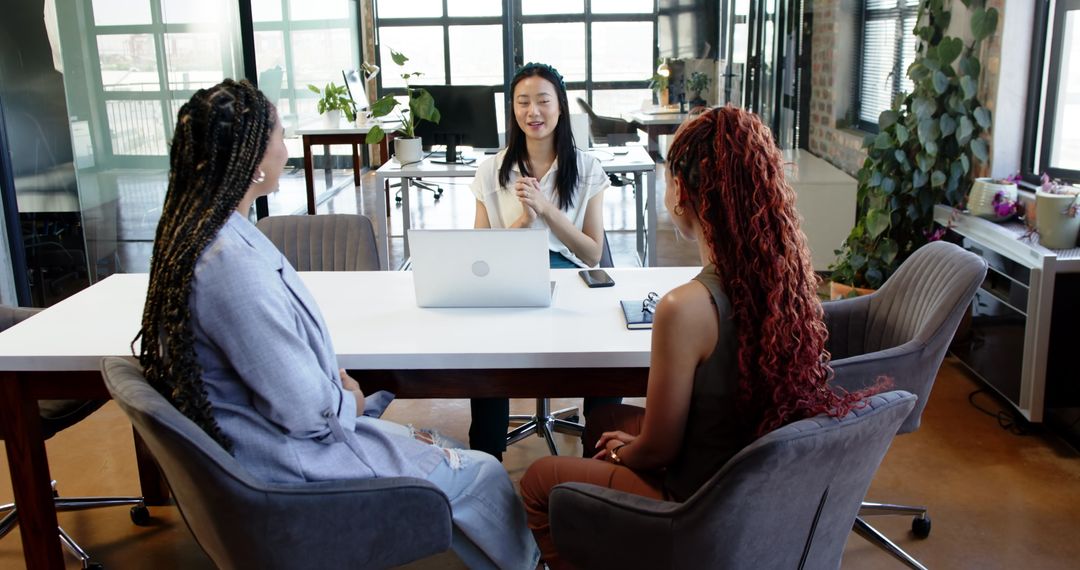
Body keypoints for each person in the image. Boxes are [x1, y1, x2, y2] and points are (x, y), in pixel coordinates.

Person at [134, 79, 539, 570]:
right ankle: (529, 564)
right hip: (297, 468)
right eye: (281, 136)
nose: (288, 148)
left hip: (276, 446)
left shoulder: (204, 234)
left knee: (447, 449)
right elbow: (306, 412)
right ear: (254, 162)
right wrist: (348, 397)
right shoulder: (229, 265)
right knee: (485, 474)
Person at [518, 106, 876, 569]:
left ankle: (625, 535)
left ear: (684, 195)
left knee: (538, 480)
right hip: (749, 477)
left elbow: (660, 449)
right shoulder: (784, 280)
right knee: (604, 417)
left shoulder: (683, 308)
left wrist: (627, 452)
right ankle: (615, 537)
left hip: (699, 502)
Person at [468, 62, 619, 460]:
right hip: (509, 282)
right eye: (523, 102)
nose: (533, 112)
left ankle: (597, 469)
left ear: (560, 107)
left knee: (607, 361)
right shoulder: (490, 171)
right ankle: (486, 467)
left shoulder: (587, 168)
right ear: (513, 110)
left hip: (573, 284)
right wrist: (523, 221)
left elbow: (591, 251)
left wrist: (547, 211)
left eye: (542, 101)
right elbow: (480, 258)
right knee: (485, 364)